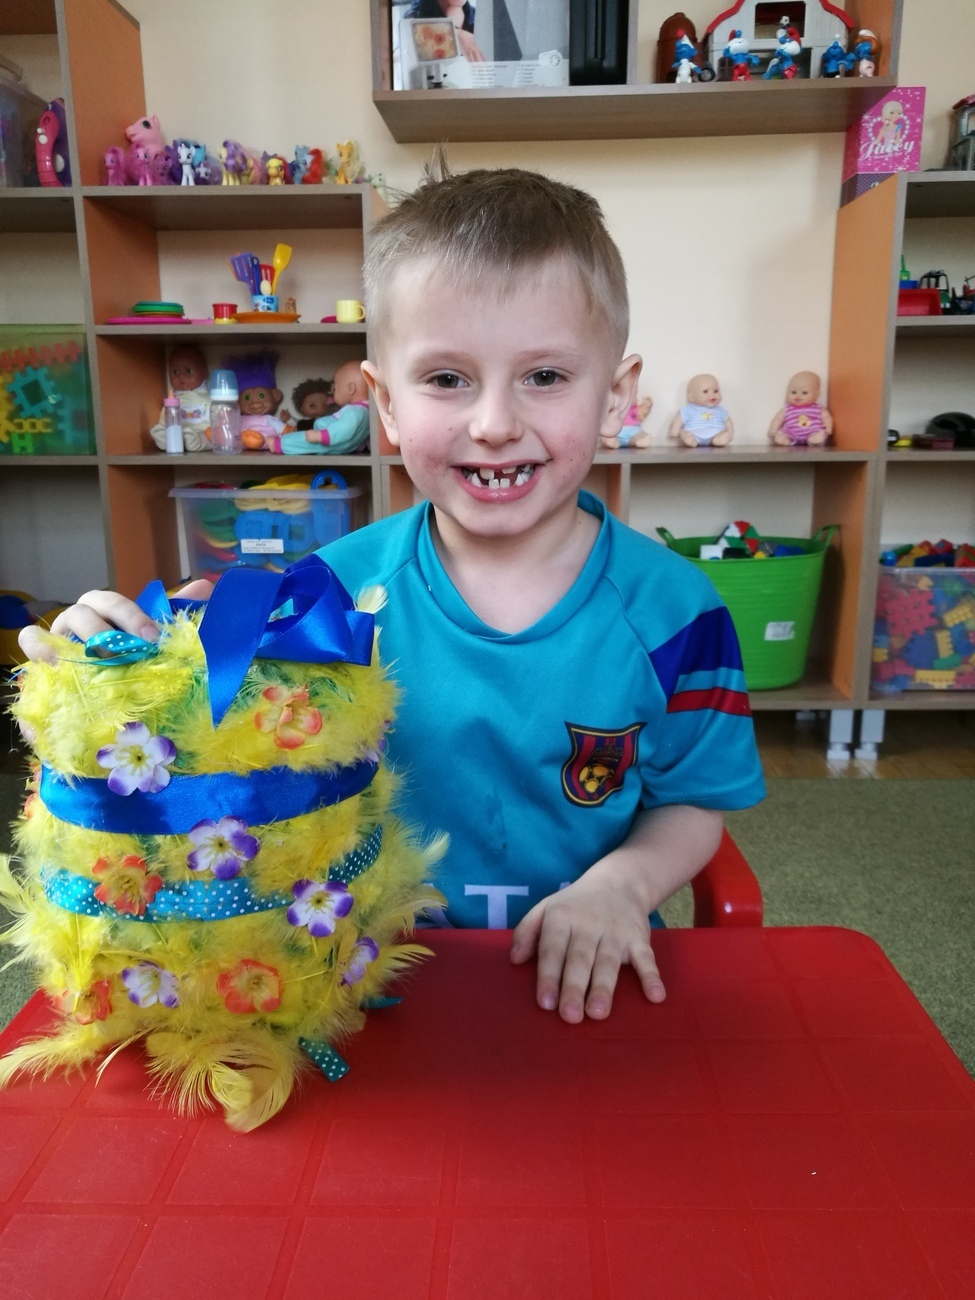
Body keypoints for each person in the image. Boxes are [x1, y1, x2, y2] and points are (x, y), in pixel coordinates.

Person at [21, 157, 765, 1025]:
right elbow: (211, 740)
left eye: (545, 376)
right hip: (358, 982)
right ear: (383, 404)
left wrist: (622, 886)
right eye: (446, 379)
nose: (494, 423)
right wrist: (122, 666)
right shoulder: (322, 599)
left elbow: (692, 801)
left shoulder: (679, 614)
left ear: (615, 397)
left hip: (583, 979)